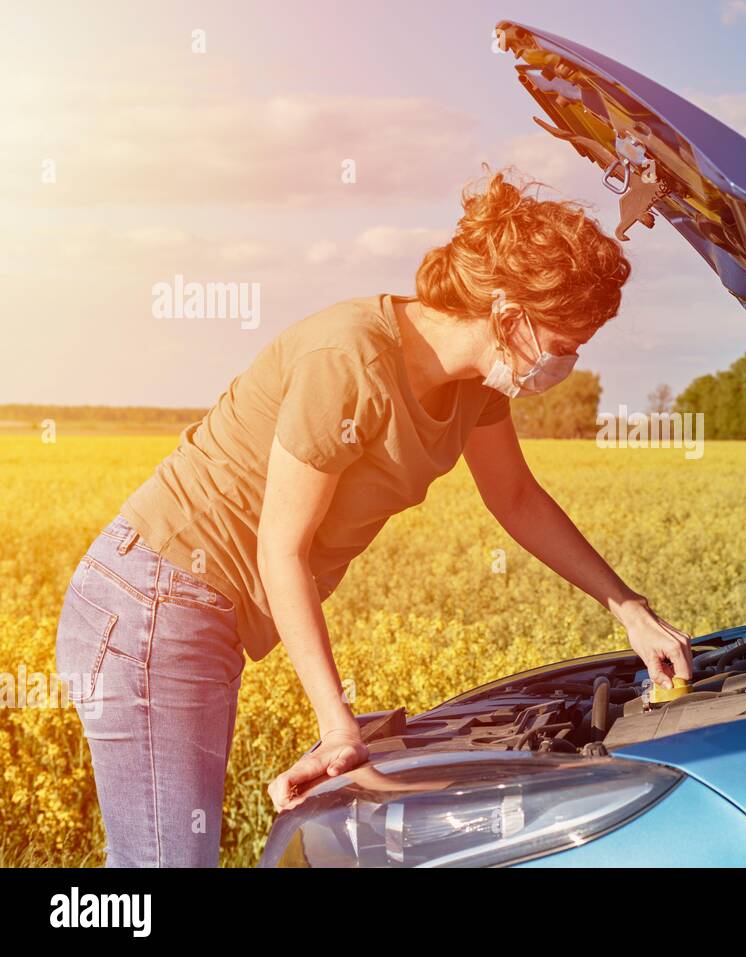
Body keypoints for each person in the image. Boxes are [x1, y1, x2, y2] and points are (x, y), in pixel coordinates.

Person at [54, 169, 694, 867]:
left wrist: (628, 607)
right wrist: (338, 727)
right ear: (509, 317)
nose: (566, 363)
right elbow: (281, 550)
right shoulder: (349, 358)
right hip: (154, 600)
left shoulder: (475, 388)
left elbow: (516, 499)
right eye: (566, 343)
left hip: (193, 610)